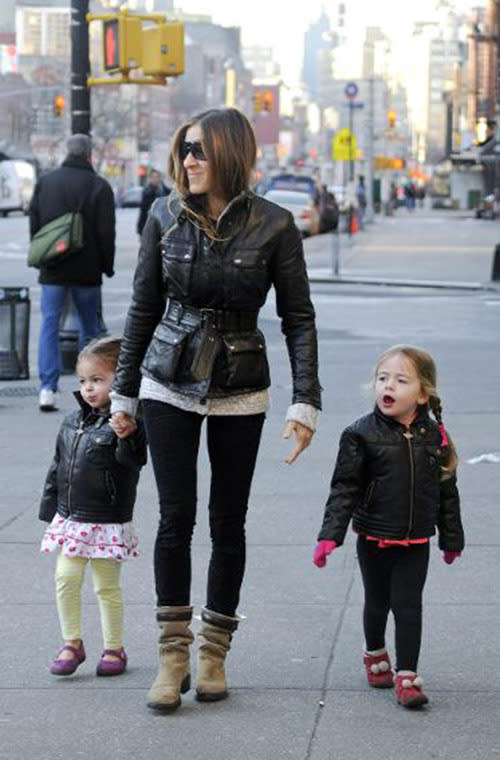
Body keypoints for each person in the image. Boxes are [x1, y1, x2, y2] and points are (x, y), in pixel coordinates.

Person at [109, 107, 321, 713]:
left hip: (241, 385)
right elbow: (142, 307)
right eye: (184, 149)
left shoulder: (275, 225)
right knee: (176, 519)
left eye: (199, 149)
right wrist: (124, 392)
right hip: (168, 381)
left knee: (229, 521)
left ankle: (213, 654)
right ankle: (172, 653)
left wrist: (305, 400)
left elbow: (298, 318)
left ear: (228, 153)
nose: (189, 160)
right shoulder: (162, 215)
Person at [313, 345, 464, 709]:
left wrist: (452, 537)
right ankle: (375, 652)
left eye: (401, 380)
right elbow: (344, 488)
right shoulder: (360, 434)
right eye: (383, 378)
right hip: (375, 536)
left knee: (408, 605)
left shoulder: (434, 435)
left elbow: (446, 490)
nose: (388, 386)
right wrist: (329, 536)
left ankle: (408, 675)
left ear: (422, 393)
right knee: (378, 602)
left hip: (416, 540)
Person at [39, 337, 147, 677]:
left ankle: (114, 648)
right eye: (84, 381)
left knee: (106, 586)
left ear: (122, 379)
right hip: (72, 517)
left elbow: (136, 461)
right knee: (66, 578)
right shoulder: (72, 421)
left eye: (98, 380)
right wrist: (51, 508)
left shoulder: (128, 422)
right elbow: (58, 465)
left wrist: (128, 434)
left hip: (106, 519)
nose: (88, 388)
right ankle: (72, 643)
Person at [29, 134, 116, 413]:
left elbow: (36, 226)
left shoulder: (47, 182)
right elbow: (106, 232)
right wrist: (107, 265)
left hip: (53, 268)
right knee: (89, 331)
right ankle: (92, 390)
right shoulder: (99, 186)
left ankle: (47, 388)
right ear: (89, 154)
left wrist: (44, 258)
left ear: (67, 152)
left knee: (49, 326)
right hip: (87, 269)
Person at [136, 169, 170, 236]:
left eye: (157, 177)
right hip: (149, 224)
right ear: (150, 178)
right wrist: (140, 228)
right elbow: (143, 211)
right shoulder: (147, 192)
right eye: (153, 177)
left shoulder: (164, 190)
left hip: (162, 225)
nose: (155, 179)